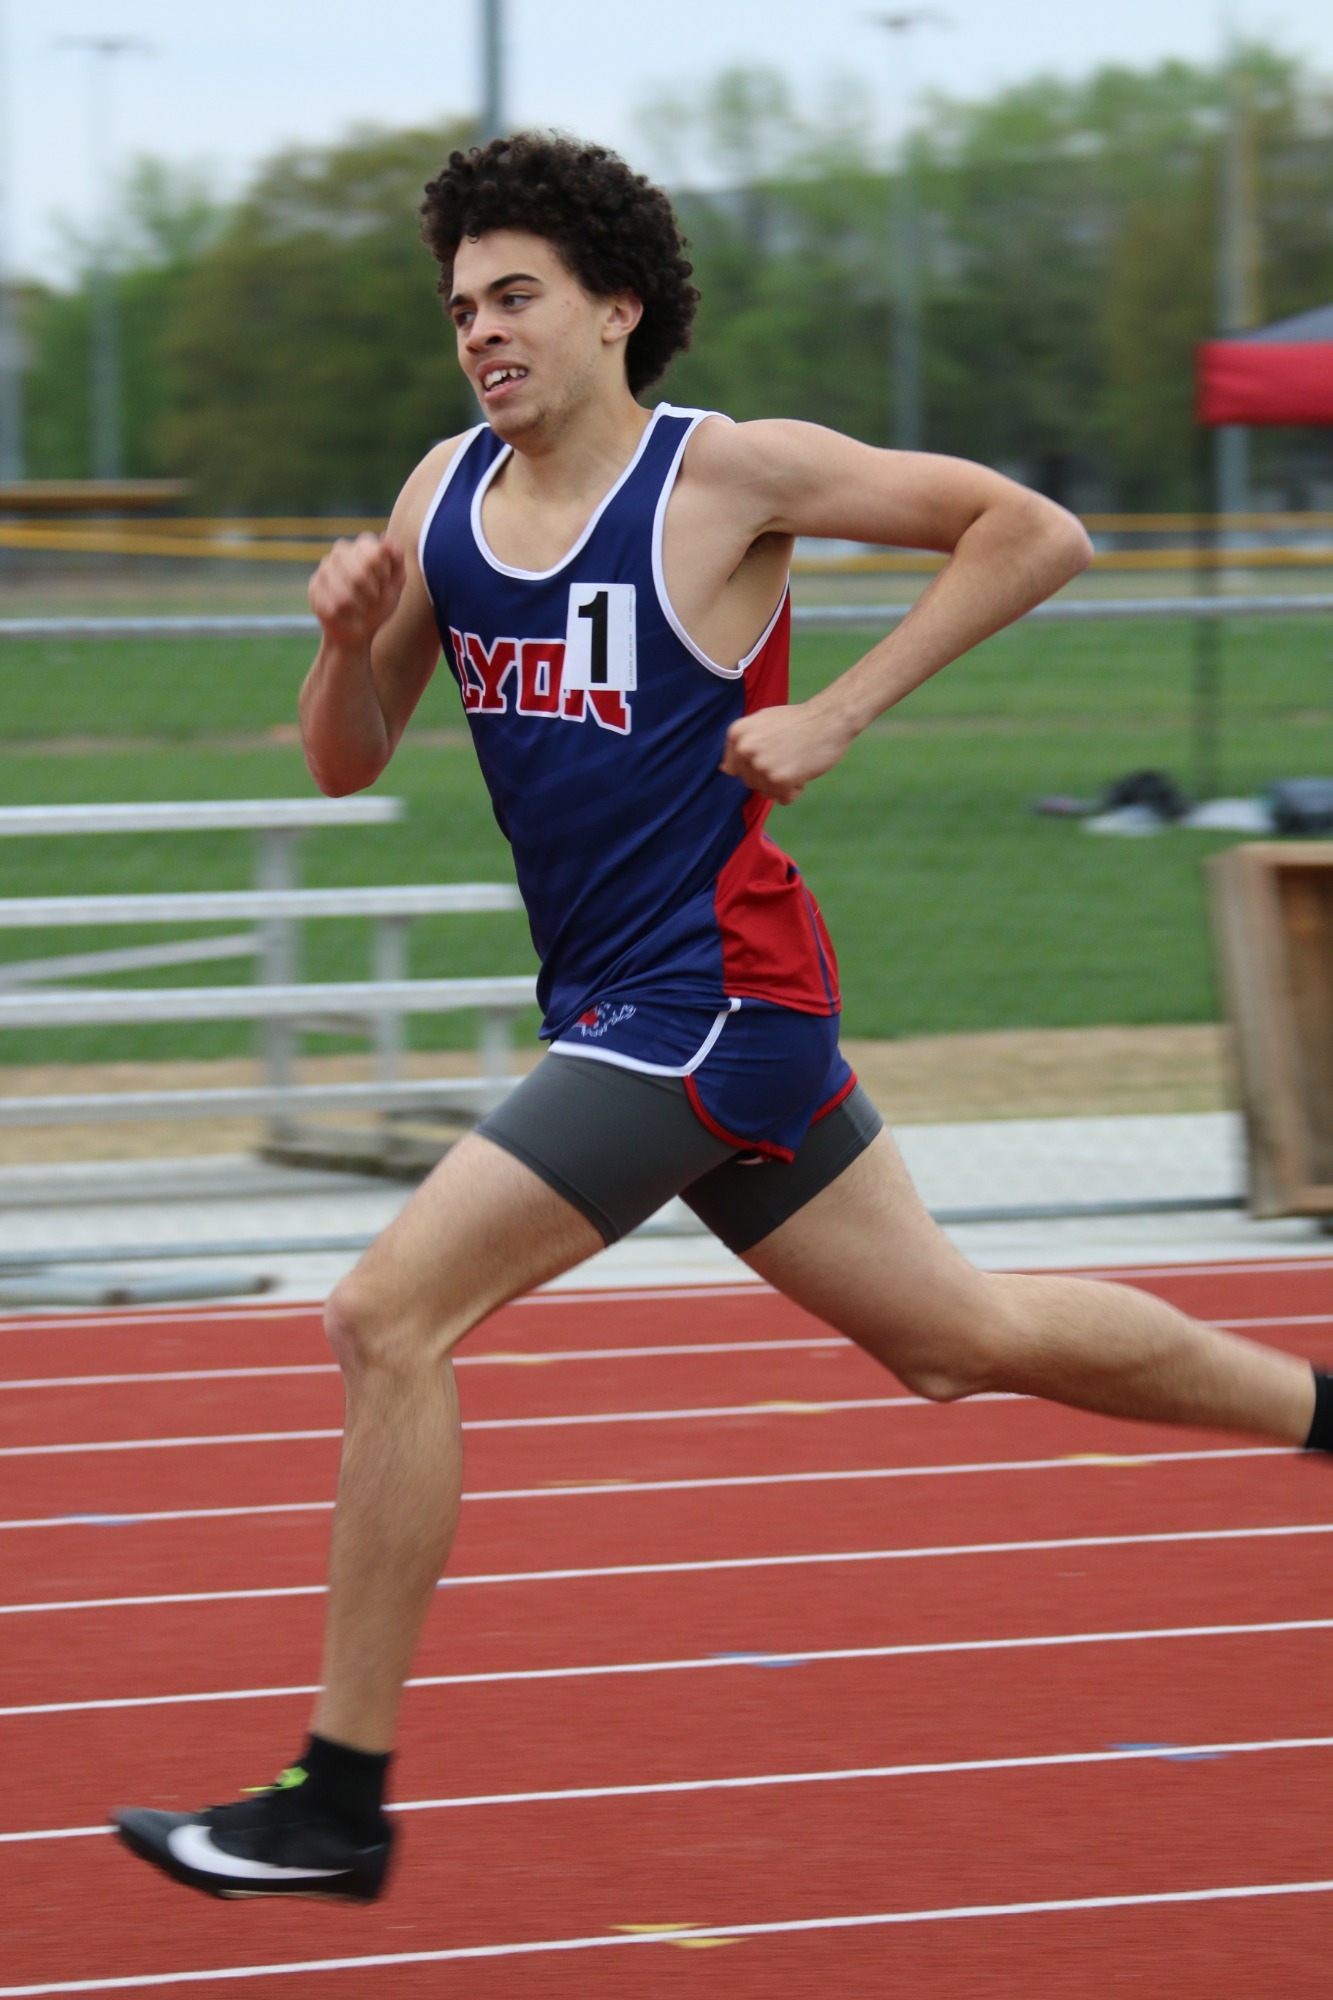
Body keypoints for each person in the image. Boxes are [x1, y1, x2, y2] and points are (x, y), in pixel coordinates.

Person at [113, 133, 1328, 1903]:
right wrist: (341, 637)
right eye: (460, 306)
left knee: (387, 1318)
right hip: (638, 1008)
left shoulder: (725, 474)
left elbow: (1032, 530)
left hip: (708, 998)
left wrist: (836, 709)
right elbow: (347, 756)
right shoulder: (437, 495)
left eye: (515, 294)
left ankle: (337, 1799)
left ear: (616, 308)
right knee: (955, 1336)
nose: (481, 331)